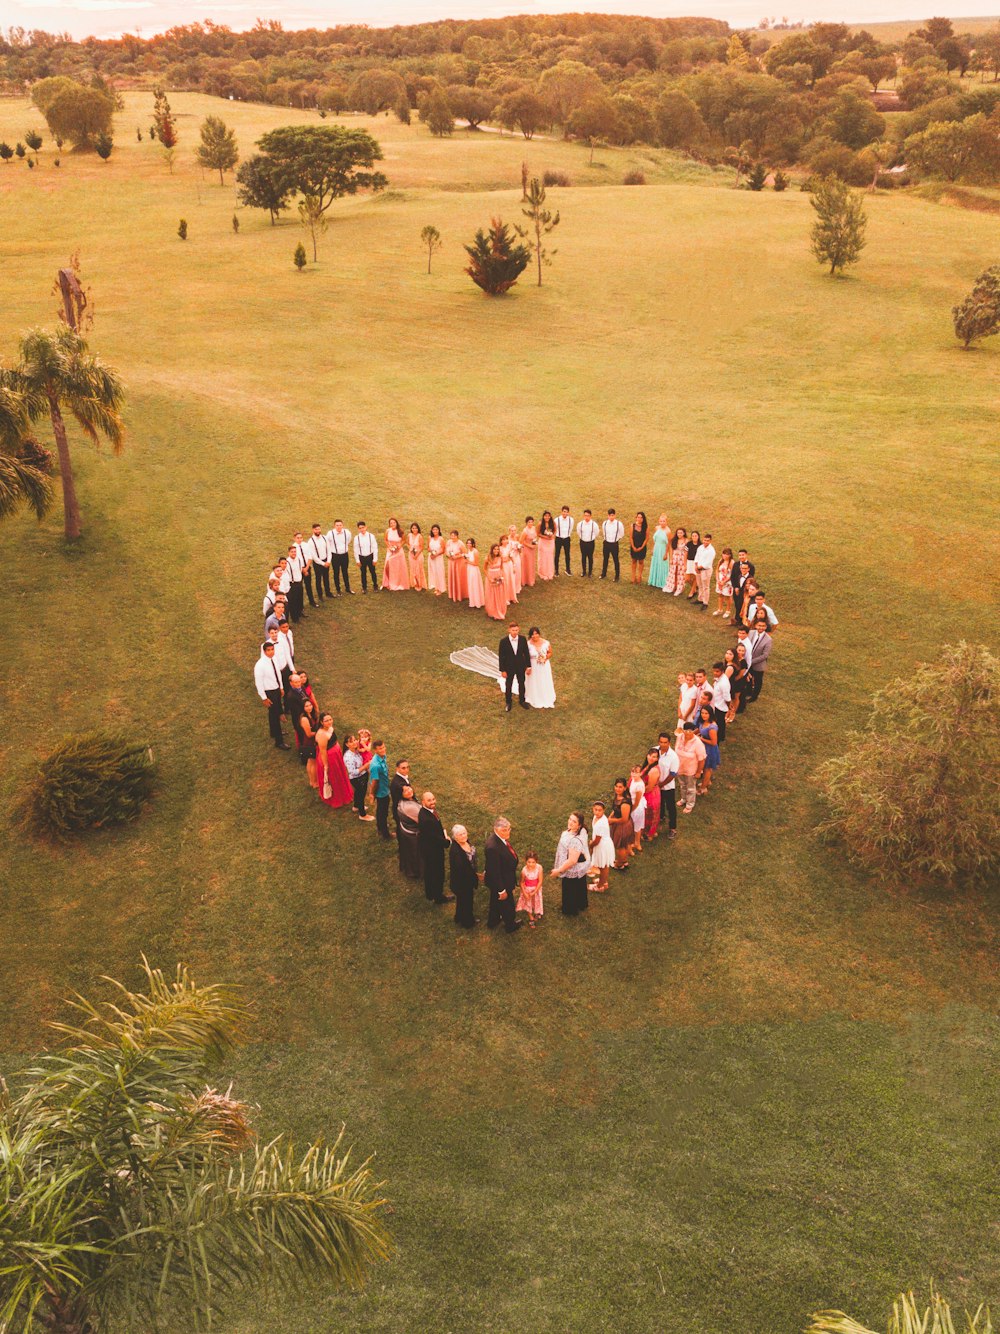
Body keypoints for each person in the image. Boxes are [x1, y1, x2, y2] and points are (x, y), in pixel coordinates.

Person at [485, 816, 521, 933]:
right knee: (507, 904)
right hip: (501, 882)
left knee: (495, 901)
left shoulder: (499, 839)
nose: (507, 832)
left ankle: (493, 920)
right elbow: (495, 871)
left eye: (509, 829)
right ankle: (510, 925)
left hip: (501, 878)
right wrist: (502, 890)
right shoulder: (493, 847)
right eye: (504, 830)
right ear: (496, 829)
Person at [550, 812, 590, 916]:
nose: (570, 822)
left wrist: (558, 870)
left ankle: (570, 910)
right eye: (570, 819)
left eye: (574, 821)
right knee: (580, 885)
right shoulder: (583, 831)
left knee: (570, 889)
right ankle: (581, 903)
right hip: (581, 867)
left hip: (572, 868)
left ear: (579, 825)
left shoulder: (575, 841)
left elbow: (572, 861)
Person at [417, 792, 451, 903]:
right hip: (433, 851)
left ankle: (430, 893)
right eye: (429, 800)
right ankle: (438, 897)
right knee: (437, 873)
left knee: (430, 872)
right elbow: (434, 838)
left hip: (428, 847)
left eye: (433, 799)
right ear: (423, 802)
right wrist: (446, 842)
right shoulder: (427, 819)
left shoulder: (426, 812)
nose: (432, 802)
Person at [254, 642, 288, 749]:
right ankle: (279, 742)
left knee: (273, 713)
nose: (271, 652)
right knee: (275, 714)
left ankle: (273, 732)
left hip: (276, 689)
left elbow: (278, 674)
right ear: (264, 651)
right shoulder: (260, 665)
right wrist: (264, 697)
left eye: (272, 649)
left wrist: (281, 687)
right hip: (269, 692)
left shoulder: (274, 659)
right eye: (268, 650)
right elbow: (258, 682)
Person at [316, 715, 353, 810]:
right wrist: (326, 765)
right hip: (330, 758)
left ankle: (344, 792)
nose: (329, 722)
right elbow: (323, 751)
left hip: (336, 755)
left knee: (340, 774)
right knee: (334, 777)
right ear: (321, 722)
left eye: (330, 719)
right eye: (326, 721)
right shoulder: (322, 735)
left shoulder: (330, 728)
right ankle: (336, 797)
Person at [449, 825, 481, 927]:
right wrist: (476, 876)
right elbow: (463, 871)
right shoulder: (457, 852)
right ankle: (468, 922)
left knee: (461, 901)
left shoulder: (465, 842)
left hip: (467, 879)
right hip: (463, 882)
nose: (463, 836)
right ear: (455, 837)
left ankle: (458, 917)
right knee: (467, 901)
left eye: (464, 833)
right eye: (460, 834)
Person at [499, 621, 531, 712]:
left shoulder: (522, 639)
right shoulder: (503, 641)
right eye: (513, 630)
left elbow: (526, 653)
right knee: (508, 685)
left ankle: (522, 701)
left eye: (516, 630)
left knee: (522, 683)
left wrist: (528, 666)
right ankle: (508, 702)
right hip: (509, 667)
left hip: (521, 666)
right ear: (509, 630)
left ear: (519, 629)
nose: (515, 632)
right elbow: (501, 656)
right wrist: (502, 670)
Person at [675, 722, 706, 814]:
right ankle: (684, 799)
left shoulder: (698, 743)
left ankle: (690, 804)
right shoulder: (679, 737)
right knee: (682, 785)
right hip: (680, 768)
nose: (688, 733)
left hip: (691, 770)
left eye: (690, 731)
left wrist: (698, 772)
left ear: (693, 731)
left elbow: (702, 759)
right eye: (686, 730)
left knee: (691, 788)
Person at [396, 784, 424, 881]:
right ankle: (416, 872)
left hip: (406, 831)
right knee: (416, 854)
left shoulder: (405, 802)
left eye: (409, 788)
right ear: (401, 794)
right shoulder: (409, 808)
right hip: (413, 835)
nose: (408, 791)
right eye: (405, 791)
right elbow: (423, 822)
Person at [344, 734, 373, 820]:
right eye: (351, 741)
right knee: (361, 795)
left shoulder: (357, 749)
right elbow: (353, 772)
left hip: (363, 775)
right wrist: (366, 765)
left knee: (359, 792)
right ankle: (362, 814)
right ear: (346, 745)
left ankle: (356, 806)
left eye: (355, 740)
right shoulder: (348, 757)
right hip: (357, 778)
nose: (355, 742)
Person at [524, 627, 556, 709]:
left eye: (536, 633)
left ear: (539, 634)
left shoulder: (546, 643)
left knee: (544, 679)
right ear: (530, 636)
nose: (534, 636)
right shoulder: (527, 644)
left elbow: (550, 653)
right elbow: (524, 656)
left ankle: (545, 696)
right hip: (533, 665)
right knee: (534, 680)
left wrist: (545, 658)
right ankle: (534, 696)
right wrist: (527, 667)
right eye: (532, 634)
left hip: (544, 665)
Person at [655, 732, 679, 839]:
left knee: (671, 808)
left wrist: (661, 784)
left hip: (668, 787)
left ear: (669, 743)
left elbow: (673, 774)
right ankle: (660, 817)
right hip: (655, 785)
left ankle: (672, 828)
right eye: (661, 742)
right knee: (659, 804)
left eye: (665, 742)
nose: (663, 744)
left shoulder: (673, 757)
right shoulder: (654, 751)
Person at [588, 800, 613, 890]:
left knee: (603, 866)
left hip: (602, 846)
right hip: (600, 844)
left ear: (604, 810)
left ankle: (600, 886)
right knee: (602, 865)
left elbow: (597, 840)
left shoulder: (601, 823)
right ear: (593, 809)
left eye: (600, 810)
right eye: (596, 809)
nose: (597, 812)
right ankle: (603, 881)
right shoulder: (596, 817)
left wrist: (591, 844)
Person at [608, 779, 633, 871]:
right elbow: (615, 809)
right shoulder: (618, 796)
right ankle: (624, 861)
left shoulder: (625, 803)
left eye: (620, 787)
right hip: (618, 822)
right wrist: (610, 817)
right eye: (616, 786)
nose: (618, 789)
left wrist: (612, 820)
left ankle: (619, 864)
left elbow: (624, 819)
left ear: (625, 788)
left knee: (620, 846)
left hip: (623, 826)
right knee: (623, 844)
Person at [369, 740, 391, 839]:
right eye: (380, 748)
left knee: (381, 811)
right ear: (375, 750)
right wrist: (372, 794)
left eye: (383, 747)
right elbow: (374, 781)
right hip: (381, 792)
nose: (383, 749)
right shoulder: (375, 765)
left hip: (385, 787)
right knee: (382, 812)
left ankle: (380, 826)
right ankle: (385, 834)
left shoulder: (382, 757)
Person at [697, 705, 721, 795]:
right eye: (702, 713)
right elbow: (700, 729)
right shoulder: (703, 722)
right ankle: (707, 782)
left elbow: (714, 742)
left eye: (706, 713)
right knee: (704, 767)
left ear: (710, 714)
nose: (704, 715)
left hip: (710, 750)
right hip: (703, 748)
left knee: (707, 769)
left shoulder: (712, 727)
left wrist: (701, 739)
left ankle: (703, 788)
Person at [307, 523, 332, 600]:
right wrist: (323, 563)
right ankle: (320, 595)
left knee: (326, 578)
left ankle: (328, 592)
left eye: (319, 529)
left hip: (326, 561)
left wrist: (328, 561)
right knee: (318, 579)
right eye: (316, 529)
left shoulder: (324, 538)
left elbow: (329, 550)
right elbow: (314, 556)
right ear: (313, 530)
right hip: (318, 563)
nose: (318, 531)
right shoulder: (311, 541)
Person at [749, 617, 772, 701]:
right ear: (755, 625)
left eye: (763, 626)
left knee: (758, 681)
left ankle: (754, 697)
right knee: (748, 677)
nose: (761, 627)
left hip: (758, 664)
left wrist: (752, 661)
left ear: (766, 627)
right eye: (759, 625)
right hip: (748, 662)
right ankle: (748, 691)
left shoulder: (768, 639)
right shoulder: (750, 633)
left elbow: (765, 655)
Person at [518, 851, 544, 927]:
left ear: (536, 862)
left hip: (536, 889)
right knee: (528, 903)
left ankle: (537, 912)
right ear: (525, 861)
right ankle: (531, 918)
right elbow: (521, 882)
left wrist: (535, 891)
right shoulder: (524, 870)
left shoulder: (539, 868)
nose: (531, 864)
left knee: (536, 902)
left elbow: (540, 881)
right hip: (527, 890)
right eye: (529, 862)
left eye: (533, 862)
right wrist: (525, 893)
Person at [383, 518, 409, 591]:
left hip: (398, 552)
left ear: (396, 523)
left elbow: (404, 540)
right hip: (390, 551)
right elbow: (385, 540)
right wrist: (389, 547)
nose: (392, 524)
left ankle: (398, 583)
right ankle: (389, 582)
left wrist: (400, 546)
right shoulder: (388, 531)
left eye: (394, 523)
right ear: (389, 524)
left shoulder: (400, 531)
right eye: (391, 523)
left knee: (397, 568)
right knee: (388, 566)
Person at [328, 520, 353, 596]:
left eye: (340, 525)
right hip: (335, 556)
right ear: (334, 526)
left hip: (344, 555)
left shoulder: (347, 532)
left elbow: (348, 540)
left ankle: (347, 588)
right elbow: (328, 543)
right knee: (336, 573)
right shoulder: (330, 534)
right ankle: (338, 590)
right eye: (337, 525)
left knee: (345, 572)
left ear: (343, 525)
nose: (339, 527)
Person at [642, 749, 661, 840]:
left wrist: (637, 792)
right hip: (646, 793)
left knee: (650, 814)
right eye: (650, 755)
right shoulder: (648, 765)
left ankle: (649, 834)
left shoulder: (654, 770)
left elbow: (649, 787)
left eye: (654, 757)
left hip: (650, 795)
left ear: (657, 759)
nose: (651, 758)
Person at [293, 530, 317, 608]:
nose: (299, 539)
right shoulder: (294, 548)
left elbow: (310, 557)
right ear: (294, 539)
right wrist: (303, 570)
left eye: (301, 538)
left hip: (307, 567)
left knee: (308, 586)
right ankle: (300, 606)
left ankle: (312, 601)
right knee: (300, 588)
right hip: (299, 570)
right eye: (298, 538)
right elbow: (296, 560)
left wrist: (306, 568)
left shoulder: (306, 545)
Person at [353, 522, 379, 592]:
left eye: (363, 527)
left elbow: (375, 548)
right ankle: (364, 587)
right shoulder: (357, 538)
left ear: (366, 527)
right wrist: (357, 560)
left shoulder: (371, 536)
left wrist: (375, 559)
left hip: (370, 556)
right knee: (363, 573)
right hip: (362, 557)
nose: (362, 529)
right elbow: (356, 550)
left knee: (373, 572)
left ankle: (375, 586)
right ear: (358, 529)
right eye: (360, 528)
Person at [299, 699, 319, 788]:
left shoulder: (311, 715)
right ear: (303, 708)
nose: (309, 707)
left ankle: (312, 780)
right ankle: (314, 782)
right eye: (306, 706)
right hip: (309, 743)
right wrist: (320, 731)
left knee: (310, 761)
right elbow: (309, 734)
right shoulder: (304, 719)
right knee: (313, 762)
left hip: (313, 742)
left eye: (310, 705)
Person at [485, 544, 508, 622]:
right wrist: (489, 579)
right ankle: (493, 611)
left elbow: (501, 567)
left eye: (498, 549)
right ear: (492, 550)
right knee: (492, 594)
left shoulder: (500, 557)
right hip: (491, 577)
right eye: (495, 549)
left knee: (499, 593)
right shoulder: (488, 558)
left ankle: (499, 610)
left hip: (499, 577)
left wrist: (502, 576)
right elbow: (484, 569)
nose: (496, 551)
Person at [694, 532, 716, 610]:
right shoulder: (700, 547)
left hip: (705, 570)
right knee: (699, 585)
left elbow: (708, 563)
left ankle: (705, 603)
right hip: (698, 569)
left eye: (707, 540)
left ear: (710, 541)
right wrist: (696, 566)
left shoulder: (711, 551)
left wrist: (699, 568)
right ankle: (700, 599)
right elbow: (697, 556)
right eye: (704, 540)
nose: (705, 542)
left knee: (706, 587)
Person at [601, 508, 625, 581]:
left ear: (615, 515)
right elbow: (604, 532)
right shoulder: (604, 523)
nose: (611, 517)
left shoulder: (619, 524)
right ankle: (603, 574)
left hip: (614, 544)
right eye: (610, 515)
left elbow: (621, 534)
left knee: (616, 560)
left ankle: (617, 576)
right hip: (606, 543)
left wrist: (616, 539)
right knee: (605, 559)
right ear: (608, 516)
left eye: (612, 515)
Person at [647, 515, 670, 590]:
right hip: (656, 548)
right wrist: (653, 548)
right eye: (661, 521)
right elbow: (655, 539)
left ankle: (662, 582)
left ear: (666, 522)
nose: (662, 523)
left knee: (662, 565)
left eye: (664, 521)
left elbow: (668, 544)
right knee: (655, 563)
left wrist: (666, 553)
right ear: (659, 521)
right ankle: (654, 581)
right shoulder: (657, 528)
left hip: (663, 549)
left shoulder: (668, 531)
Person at [711, 662, 731, 742]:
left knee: (720, 722)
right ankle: (721, 736)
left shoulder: (724, 683)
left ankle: (720, 737)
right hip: (716, 703)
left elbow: (727, 698)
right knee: (719, 721)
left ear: (722, 671)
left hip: (720, 706)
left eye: (717, 671)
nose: (715, 673)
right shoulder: (720, 679)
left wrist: (728, 707)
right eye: (714, 671)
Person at [628, 765, 647, 854]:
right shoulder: (633, 780)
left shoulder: (639, 785)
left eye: (636, 772)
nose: (634, 774)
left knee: (637, 826)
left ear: (640, 773)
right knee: (633, 825)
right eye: (632, 772)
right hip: (632, 804)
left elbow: (637, 801)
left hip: (637, 807)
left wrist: (632, 809)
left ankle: (637, 843)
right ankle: (634, 842)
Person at [286, 543, 306, 622]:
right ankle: (295, 617)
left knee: (300, 598)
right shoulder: (287, 562)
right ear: (289, 553)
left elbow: (300, 569)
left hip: (299, 582)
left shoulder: (298, 559)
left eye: (295, 551)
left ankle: (300, 612)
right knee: (293, 601)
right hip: (292, 584)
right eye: (292, 552)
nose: (294, 553)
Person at [390, 758, 413, 827]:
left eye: (407, 767)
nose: (406, 770)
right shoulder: (399, 784)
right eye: (403, 768)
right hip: (401, 811)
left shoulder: (402, 777)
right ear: (397, 769)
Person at [446, 530, 467, 602]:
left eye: (454, 535)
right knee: (452, 576)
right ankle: (452, 593)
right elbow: (446, 551)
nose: (453, 537)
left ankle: (459, 594)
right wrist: (449, 555)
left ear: (457, 536)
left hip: (458, 563)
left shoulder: (460, 543)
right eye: (451, 535)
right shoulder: (449, 542)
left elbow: (465, 553)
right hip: (451, 562)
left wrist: (457, 557)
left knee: (457, 577)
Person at [665, 526, 687, 595]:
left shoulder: (686, 541)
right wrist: (671, 558)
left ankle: (680, 587)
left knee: (680, 573)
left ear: (683, 533)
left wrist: (685, 561)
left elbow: (687, 551)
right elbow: (671, 550)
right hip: (675, 557)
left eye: (681, 533)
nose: (679, 534)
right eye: (678, 533)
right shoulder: (674, 540)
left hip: (682, 558)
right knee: (674, 572)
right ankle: (673, 586)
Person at [577, 509, 598, 577]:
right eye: (585, 515)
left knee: (590, 557)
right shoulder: (580, 524)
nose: (586, 517)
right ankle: (584, 571)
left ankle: (590, 572)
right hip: (582, 542)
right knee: (583, 557)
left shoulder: (594, 524)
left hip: (591, 543)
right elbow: (578, 532)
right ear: (583, 516)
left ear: (590, 516)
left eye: (588, 516)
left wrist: (591, 538)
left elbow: (596, 532)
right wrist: (583, 538)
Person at [714, 546, 734, 618]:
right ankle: (720, 609)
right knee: (720, 595)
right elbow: (717, 570)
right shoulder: (721, 560)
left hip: (727, 582)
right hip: (720, 581)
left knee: (727, 596)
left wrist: (724, 581)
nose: (725, 556)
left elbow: (732, 574)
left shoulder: (731, 562)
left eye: (727, 554)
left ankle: (728, 610)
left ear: (730, 555)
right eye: (724, 554)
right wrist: (717, 579)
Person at [465, 538, 485, 608]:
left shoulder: (475, 551)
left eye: (470, 543)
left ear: (473, 544)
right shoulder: (468, 550)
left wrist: (468, 562)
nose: (468, 544)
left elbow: (476, 563)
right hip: (469, 569)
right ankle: (473, 601)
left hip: (474, 570)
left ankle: (477, 602)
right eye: (467, 543)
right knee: (471, 584)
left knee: (475, 584)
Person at [629, 512, 648, 585]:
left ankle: (639, 576)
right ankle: (633, 577)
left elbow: (647, 538)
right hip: (634, 546)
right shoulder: (632, 526)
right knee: (634, 561)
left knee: (641, 562)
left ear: (643, 519)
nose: (639, 519)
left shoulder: (645, 527)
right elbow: (630, 537)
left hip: (642, 547)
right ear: (636, 518)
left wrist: (641, 547)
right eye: (638, 517)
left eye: (641, 517)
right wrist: (633, 546)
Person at [500, 534, 519, 604]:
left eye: (506, 539)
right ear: (501, 541)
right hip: (504, 566)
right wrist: (503, 560)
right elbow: (499, 559)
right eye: (503, 540)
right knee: (506, 581)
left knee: (511, 580)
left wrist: (514, 565)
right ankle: (506, 598)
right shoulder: (499, 548)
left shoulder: (509, 547)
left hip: (510, 565)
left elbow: (512, 557)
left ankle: (513, 597)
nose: (505, 541)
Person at [427, 525, 446, 596]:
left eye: (436, 529)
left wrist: (436, 554)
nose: (435, 531)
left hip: (438, 558)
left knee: (439, 572)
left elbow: (443, 550)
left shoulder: (441, 539)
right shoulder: (430, 538)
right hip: (431, 557)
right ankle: (436, 587)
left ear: (439, 530)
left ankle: (440, 589)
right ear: (431, 530)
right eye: (433, 529)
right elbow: (428, 548)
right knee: (433, 572)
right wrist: (431, 552)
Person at [554, 505, 574, 575]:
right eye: (564, 512)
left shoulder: (571, 520)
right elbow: (555, 529)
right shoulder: (556, 520)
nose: (565, 513)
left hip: (567, 539)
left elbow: (570, 529)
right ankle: (556, 571)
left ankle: (568, 569)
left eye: (567, 512)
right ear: (561, 512)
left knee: (567, 555)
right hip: (558, 538)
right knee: (557, 555)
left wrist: (567, 535)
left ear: (568, 513)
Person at [537, 511, 556, 580]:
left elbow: (555, 530)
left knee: (550, 557)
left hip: (550, 542)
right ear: (543, 516)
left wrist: (552, 536)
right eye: (545, 516)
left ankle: (550, 573)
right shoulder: (540, 524)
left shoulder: (553, 523)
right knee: (543, 558)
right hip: (543, 542)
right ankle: (543, 573)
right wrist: (545, 537)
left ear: (550, 516)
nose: (547, 517)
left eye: (548, 516)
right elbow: (538, 533)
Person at [407, 523, 426, 591]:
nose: (414, 529)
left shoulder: (419, 536)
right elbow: (408, 544)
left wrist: (417, 555)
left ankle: (419, 584)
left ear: (418, 529)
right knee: (412, 569)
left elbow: (422, 547)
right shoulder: (409, 535)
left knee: (418, 569)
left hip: (418, 555)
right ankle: (414, 583)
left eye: (416, 528)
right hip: (411, 555)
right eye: (413, 528)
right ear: (411, 529)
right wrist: (410, 550)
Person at [520, 517, 538, 587]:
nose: (530, 523)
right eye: (529, 522)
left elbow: (535, 537)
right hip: (526, 549)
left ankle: (531, 579)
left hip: (532, 549)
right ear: (526, 523)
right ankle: (526, 580)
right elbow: (521, 541)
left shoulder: (534, 528)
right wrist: (529, 546)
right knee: (527, 564)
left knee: (531, 564)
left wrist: (534, 543)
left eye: (531, 522)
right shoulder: (525, 531)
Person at [684, 530, 701, 600]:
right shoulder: (688, 544)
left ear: (698, 536)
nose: (694, 537)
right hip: (689, 562)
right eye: (693, 536)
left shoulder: (700, 545)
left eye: (695, 536)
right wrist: (685, 564)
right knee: (687, 579)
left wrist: (698, 565)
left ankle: (692, 592)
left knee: (695, 578)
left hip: (696, 563)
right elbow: (685, 554)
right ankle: (695, 588)